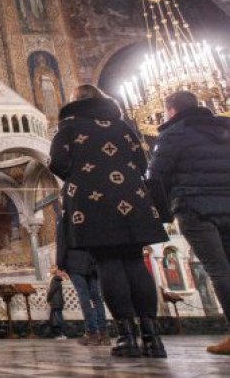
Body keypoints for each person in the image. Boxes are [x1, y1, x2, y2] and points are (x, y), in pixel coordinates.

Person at [50, 84, 168, 358]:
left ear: (74, 102)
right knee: (135, 262)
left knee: (109, 263)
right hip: (133, 196)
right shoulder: (122, 125)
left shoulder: (70, 126)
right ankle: (153, 339)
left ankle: (127, 337)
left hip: (93, 202)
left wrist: (81, 174)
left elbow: (57, 162)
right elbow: (142, 160)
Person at [148, 90, 230, 355]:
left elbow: (156, 176)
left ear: (171, 110)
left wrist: (163, 215)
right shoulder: (225, 130)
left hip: (196, 207)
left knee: (219, 270)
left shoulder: (174, 134)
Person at [57, 214, 109, 346]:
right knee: (97, 298)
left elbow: (62, 242)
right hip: (92, 260)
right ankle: (103, 333)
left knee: (84, 297)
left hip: (74, 261)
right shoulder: (90, 213)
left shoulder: (66, 219)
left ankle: (91, 333)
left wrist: (60, 263)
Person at [47, 269, 66, 339]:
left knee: (58, 318)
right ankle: (61, 334)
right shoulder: (58, 280)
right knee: (59, 317)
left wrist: (48, 299)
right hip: (59, 302)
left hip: (56, 302)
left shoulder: (54, 280)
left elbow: (51, 291)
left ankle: (62, 334)